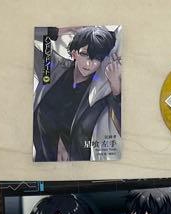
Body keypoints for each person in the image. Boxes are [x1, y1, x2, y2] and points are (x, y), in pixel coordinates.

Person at [32, 26, 121, 162]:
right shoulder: (52, 68)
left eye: (97, 58)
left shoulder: (99, 91)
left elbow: (122, 127)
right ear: (74, 53)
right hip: (40, 164)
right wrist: (62, 31)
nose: (89, 63)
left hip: (79, 168)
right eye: (84, 54)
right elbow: (23, 37)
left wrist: (116, 87)